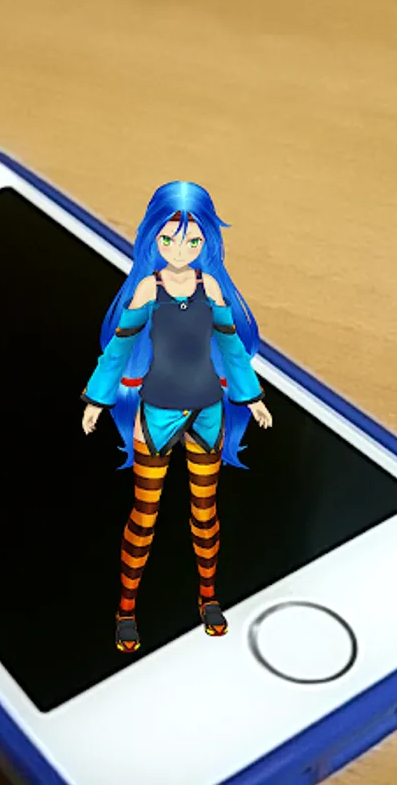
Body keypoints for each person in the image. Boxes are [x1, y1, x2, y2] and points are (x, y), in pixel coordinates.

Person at [81, 180, 272, 653]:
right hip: (156, 415)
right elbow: (120, 347)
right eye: (169, 239)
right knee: (144, 516)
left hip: (208, 412)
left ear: (207, 240)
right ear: (153, 237)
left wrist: (251, 397)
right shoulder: (148, 287)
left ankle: (208, 600)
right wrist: (97, 398)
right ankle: (126, 610)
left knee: (204, 515)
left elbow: (231, 345)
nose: (180, 249)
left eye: (192, 240)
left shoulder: (212, 287)